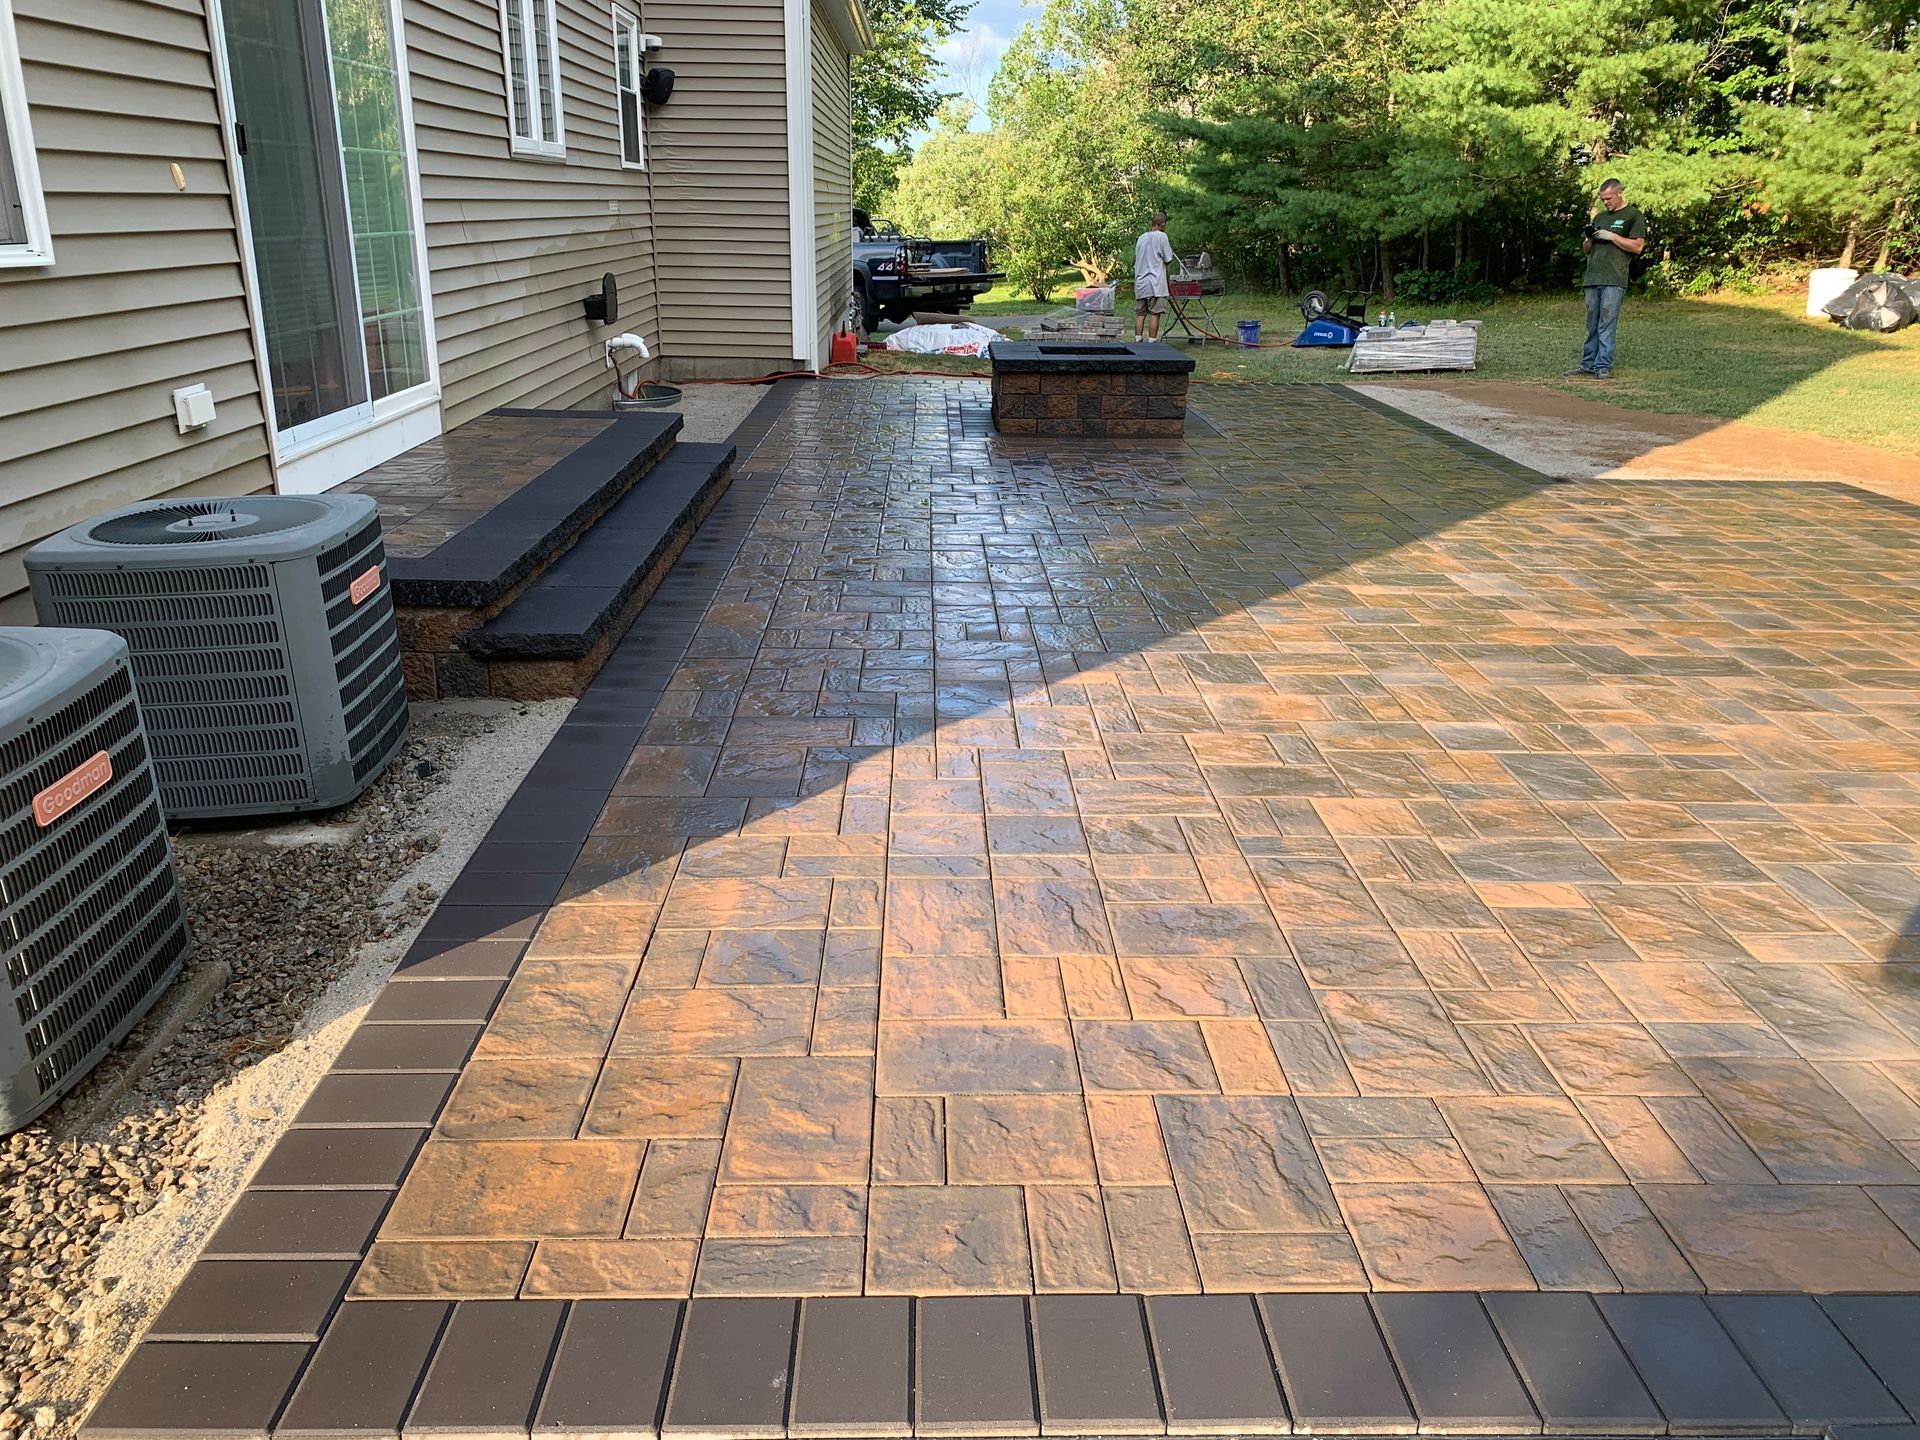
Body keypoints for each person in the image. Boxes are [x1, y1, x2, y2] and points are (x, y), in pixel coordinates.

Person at [1569, 178, 1646, 380]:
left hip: (1614, 278)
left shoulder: (1633, 215)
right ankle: (1587, 364)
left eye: (1609, 198)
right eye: (1603, 199)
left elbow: (1637, 247)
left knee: (1606, 323)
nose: (1605, 202)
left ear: (1619, 193)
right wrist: (1590, 237)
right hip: (1593, 277)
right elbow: (1587, 250)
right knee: (1592, 324)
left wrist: (1611, 236)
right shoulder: (1600, 217)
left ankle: (1603, 365)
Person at [1133, 212, 1176, 342]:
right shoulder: (1162, 236)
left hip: (1140, 282)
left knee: (1140, 314)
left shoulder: (1141, 238)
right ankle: (1152, 342)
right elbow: (1168, 258)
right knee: (1155, 313)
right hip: (1155, 283)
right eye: (1164, 225)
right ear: (1160, 225)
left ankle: (1138, 340)